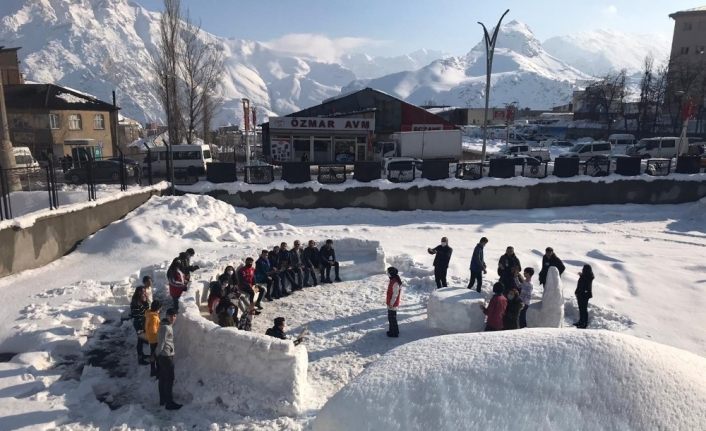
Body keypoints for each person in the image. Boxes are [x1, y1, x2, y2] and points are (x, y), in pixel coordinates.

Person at [156, 308, 181, 410]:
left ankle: (163, 400)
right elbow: (161, 343)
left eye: (174, 316)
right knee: (169, 379)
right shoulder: (166, 327)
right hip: (166, 357)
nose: (173, 318)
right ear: (166, 316)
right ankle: (169, 403)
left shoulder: (166, 326)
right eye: (170, 316)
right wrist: (158, 356)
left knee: (162, 378)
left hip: (164, 355)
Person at [130, 286, 150, 365]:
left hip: (143, 323)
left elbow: (147, 309)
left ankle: (142, 355)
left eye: (144, 291)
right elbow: (137, 315)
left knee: (141, 340)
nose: (144, 293)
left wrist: (145, 301)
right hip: (139, 324)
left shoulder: (143, 300)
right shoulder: (135, 302)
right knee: (140, 341)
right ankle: (140, 359)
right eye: (142, 292)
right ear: (138, 292)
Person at [145, 300, 161, 378]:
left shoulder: (148, 314)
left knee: (152, 354)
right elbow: (153, 330)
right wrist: (160, 334)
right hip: (155, 339)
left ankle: (152, 369)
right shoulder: (154, 317)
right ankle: (157, 372)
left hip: (150, 338)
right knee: (156, 355)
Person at [574, 264, 594, 329]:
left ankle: (584, 323)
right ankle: (581, 321)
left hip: (584, 295)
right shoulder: (585, 276)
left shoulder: (589, 277)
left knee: (583, 309)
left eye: (584, 269)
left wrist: (582, 276)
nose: (582, 270)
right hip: (580, 294)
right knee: (581, 308)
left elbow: (585, 283)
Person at [385, 266, 402, 338]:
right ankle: (392, 331)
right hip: (391, 303)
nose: (387, 274)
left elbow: (395, 295)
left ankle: (394, 333)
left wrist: (391, 304)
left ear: (391, 273)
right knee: (391, 318)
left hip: (393, 304)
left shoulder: (395, 283)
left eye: (388, 272)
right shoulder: (393, 280)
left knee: (392, 319)